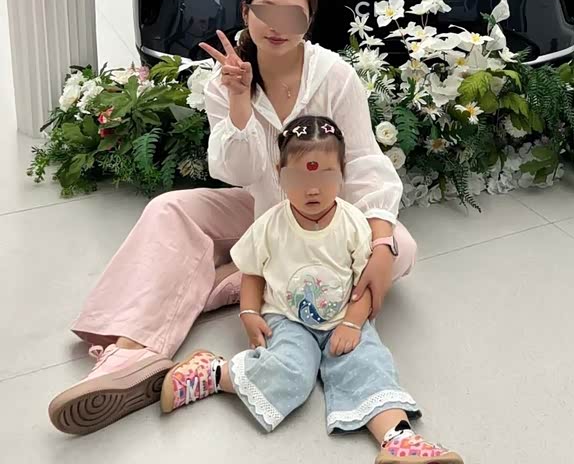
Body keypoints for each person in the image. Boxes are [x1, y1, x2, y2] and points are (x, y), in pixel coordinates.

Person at [48, 0, 416, 436]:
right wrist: (240, 99)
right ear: (245, 12)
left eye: (292, 15)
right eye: (266, 11)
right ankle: (133, 351)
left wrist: (380, 243)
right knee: (168, 209)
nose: (277, 26)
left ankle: (236, 276)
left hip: (329, 221)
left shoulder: (334, 76)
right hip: (262, 212)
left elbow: (363, 162)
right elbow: (236, 173)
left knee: (403, 245)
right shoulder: (222, 80)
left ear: (309, 22)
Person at [160, 117, 462, 464]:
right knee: (291, 371)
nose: (313, 190)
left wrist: (352, 323)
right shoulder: (270, 225)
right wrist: (249, 312)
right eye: (300, 178)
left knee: (369, 363)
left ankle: (398, 439)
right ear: (280, 174)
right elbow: (252, 272)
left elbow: (365, 283)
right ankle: (213, 372)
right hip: (287, 318)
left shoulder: (353, 224)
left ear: (342, 174)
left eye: (325, 177)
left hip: (344, 316)